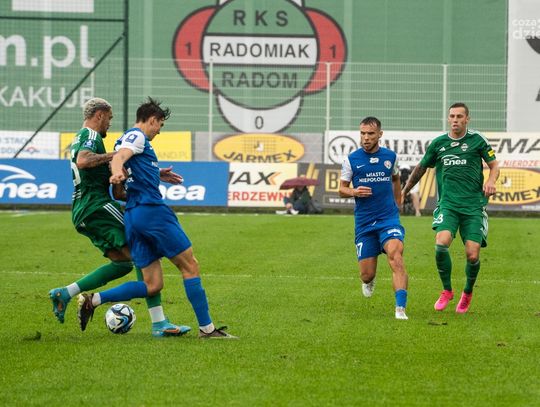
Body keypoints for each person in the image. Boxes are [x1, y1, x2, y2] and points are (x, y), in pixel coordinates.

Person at [77, 97, 236, 339]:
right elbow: (119, 158)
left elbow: (120, 189)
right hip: (152, 212)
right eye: (160, 125)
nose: (159, 131)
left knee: (152, 285)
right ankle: (207, 329)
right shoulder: (137, 136)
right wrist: (117, 171)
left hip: (133, 216)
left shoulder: (125, 140)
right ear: (152, 120)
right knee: (190, 266)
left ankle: (94, 300)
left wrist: (154, 173)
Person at [48, 97, 189, 338]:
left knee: (124, 263)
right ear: (100, 115)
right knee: (145, 251)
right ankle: (159, 323)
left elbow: (116, 184)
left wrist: (152, 173)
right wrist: (117, 154)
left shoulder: (87, 138)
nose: (110, 123)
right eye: (109, 118)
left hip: (85, 211)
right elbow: (83, 160)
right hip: (96, 205)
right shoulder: (90, 135)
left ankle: (66, 293)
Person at [402, 102, 499, 313]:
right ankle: (447, 290)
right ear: (448, 118)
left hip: (473, 207)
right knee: (441, 243)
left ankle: (467, 292)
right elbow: (421, 168)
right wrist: (405, 190)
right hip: (448, 205)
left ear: (467, 119)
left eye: (459, 116)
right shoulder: (439, 144)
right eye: (452, 116)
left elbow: (494, 165)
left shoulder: (477, 140)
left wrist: (491, 181)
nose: (455, 120)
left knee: (472, 255)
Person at [339, 116, 409, 320]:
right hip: (365, 222)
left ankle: (400, 308)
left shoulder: (390, 157)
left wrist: (398, 202)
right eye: (362, 133)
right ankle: (369, 281)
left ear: (380, 134)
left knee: (396, 256)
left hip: (388, 219)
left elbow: (396, 179)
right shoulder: (351, 160)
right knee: (366, 274)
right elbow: (341, 189)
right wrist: (354, 192)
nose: (366, 137)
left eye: (370, 133)